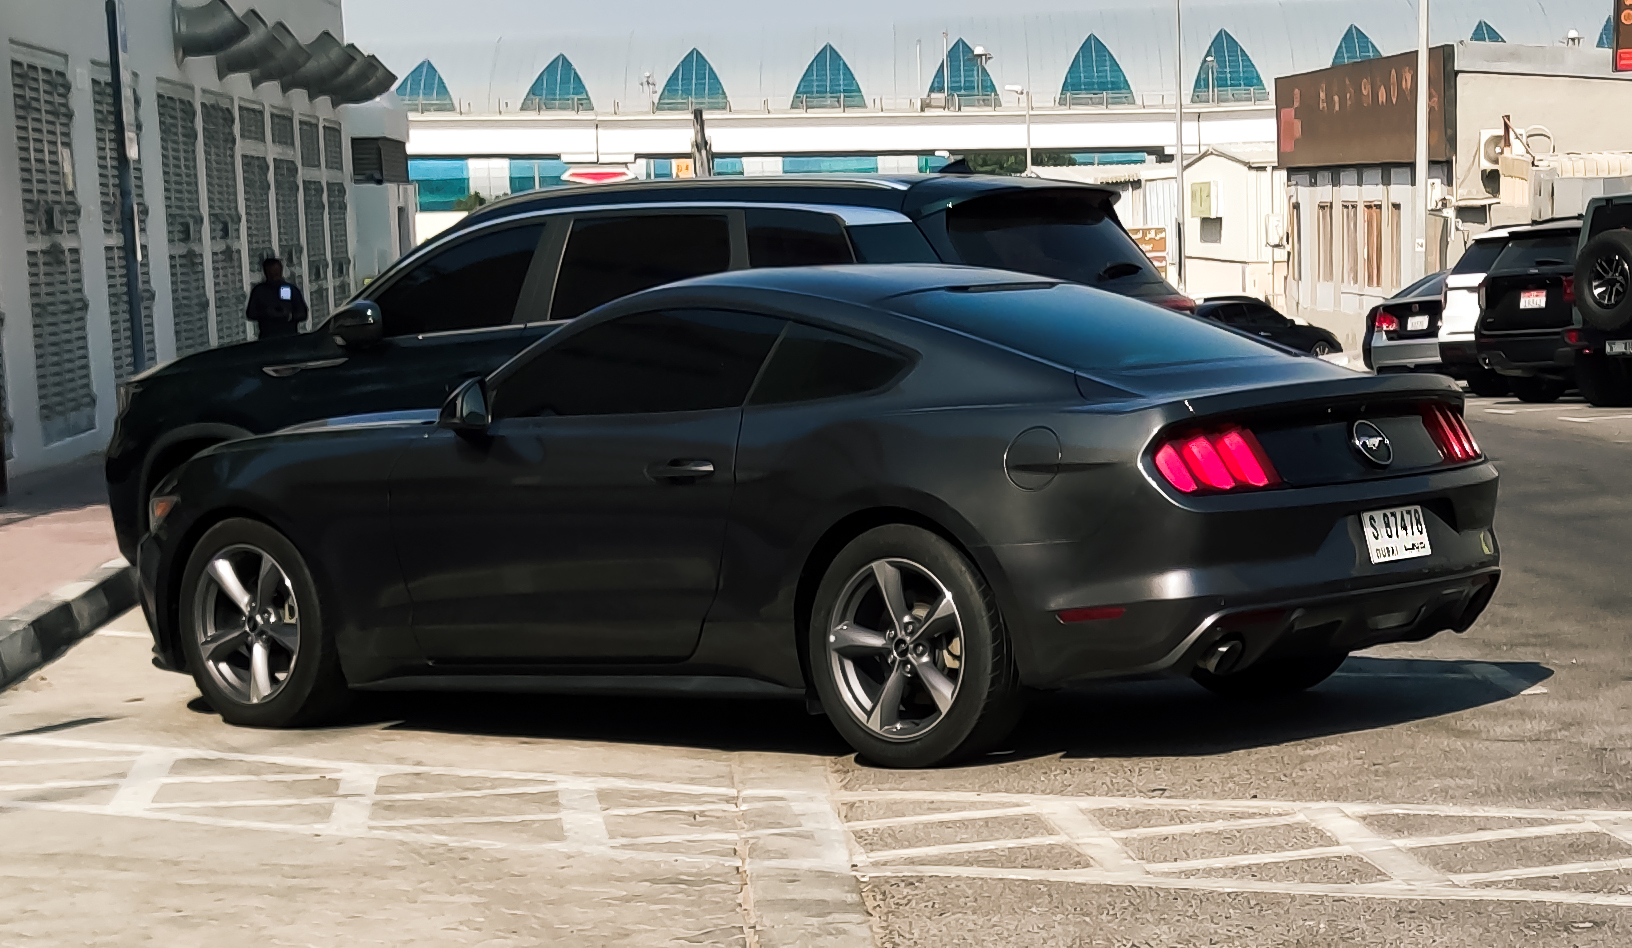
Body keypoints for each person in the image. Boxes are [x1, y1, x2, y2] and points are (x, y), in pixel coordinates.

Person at [245, 257, 308, 340]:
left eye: (276, 273)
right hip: (268, 338)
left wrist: (289, 315)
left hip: (289, 337)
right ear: (266, 273)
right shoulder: (259, 291)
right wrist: (267, 313)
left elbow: (303, 314)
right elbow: (250, 313)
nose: (275, 277)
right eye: (272, 274)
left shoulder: (290, 289)